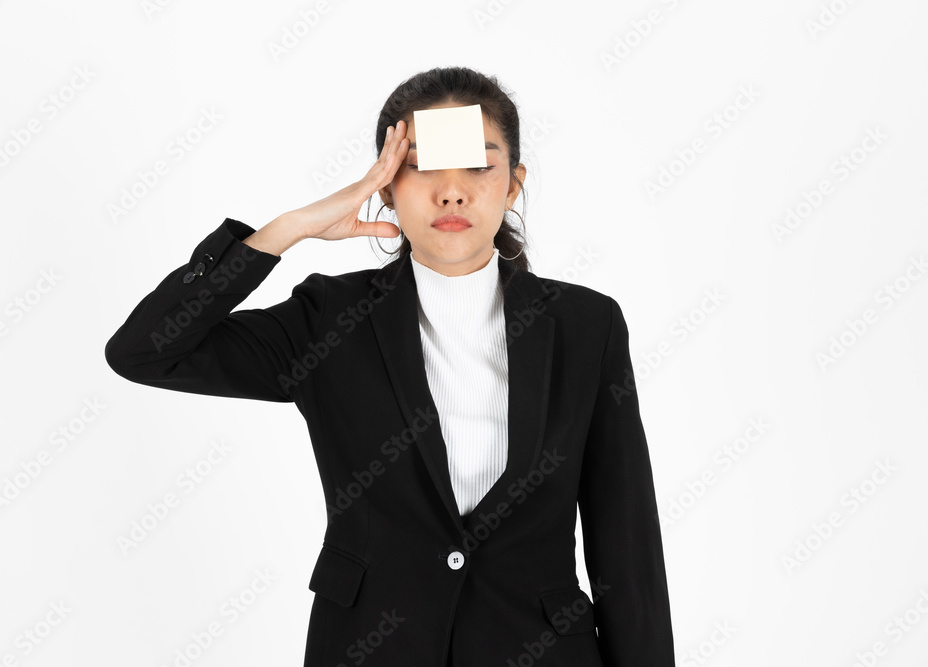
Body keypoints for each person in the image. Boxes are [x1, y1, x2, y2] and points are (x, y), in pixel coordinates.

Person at [104, 66, 675, 667]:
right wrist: (287, 231)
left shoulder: (587, 325)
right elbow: (144, 351)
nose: (451, 192)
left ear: (513, 185)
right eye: (422, 166)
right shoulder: (329, 320)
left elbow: (625, 541)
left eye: (478, 166)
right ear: (384, 184)